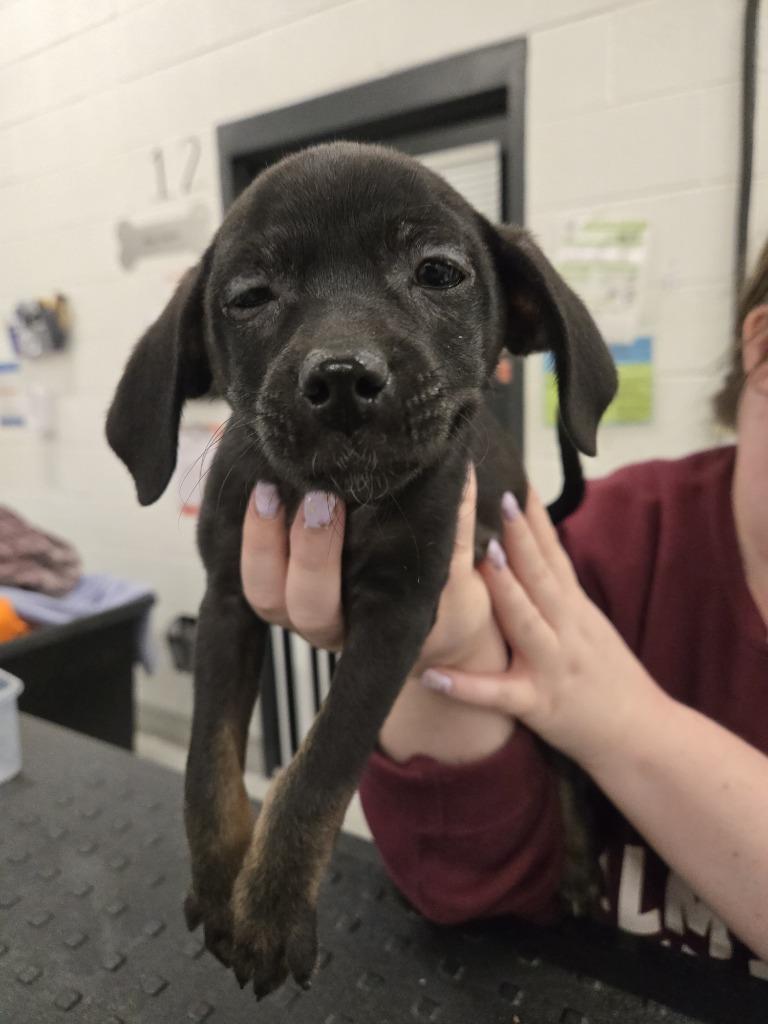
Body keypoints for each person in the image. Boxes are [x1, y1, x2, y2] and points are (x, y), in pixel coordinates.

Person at [240, 239, 768, 974]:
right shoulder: (599, 548)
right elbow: (465, 892)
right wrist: (442, 648)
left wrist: (622, 722)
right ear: (763, 346)